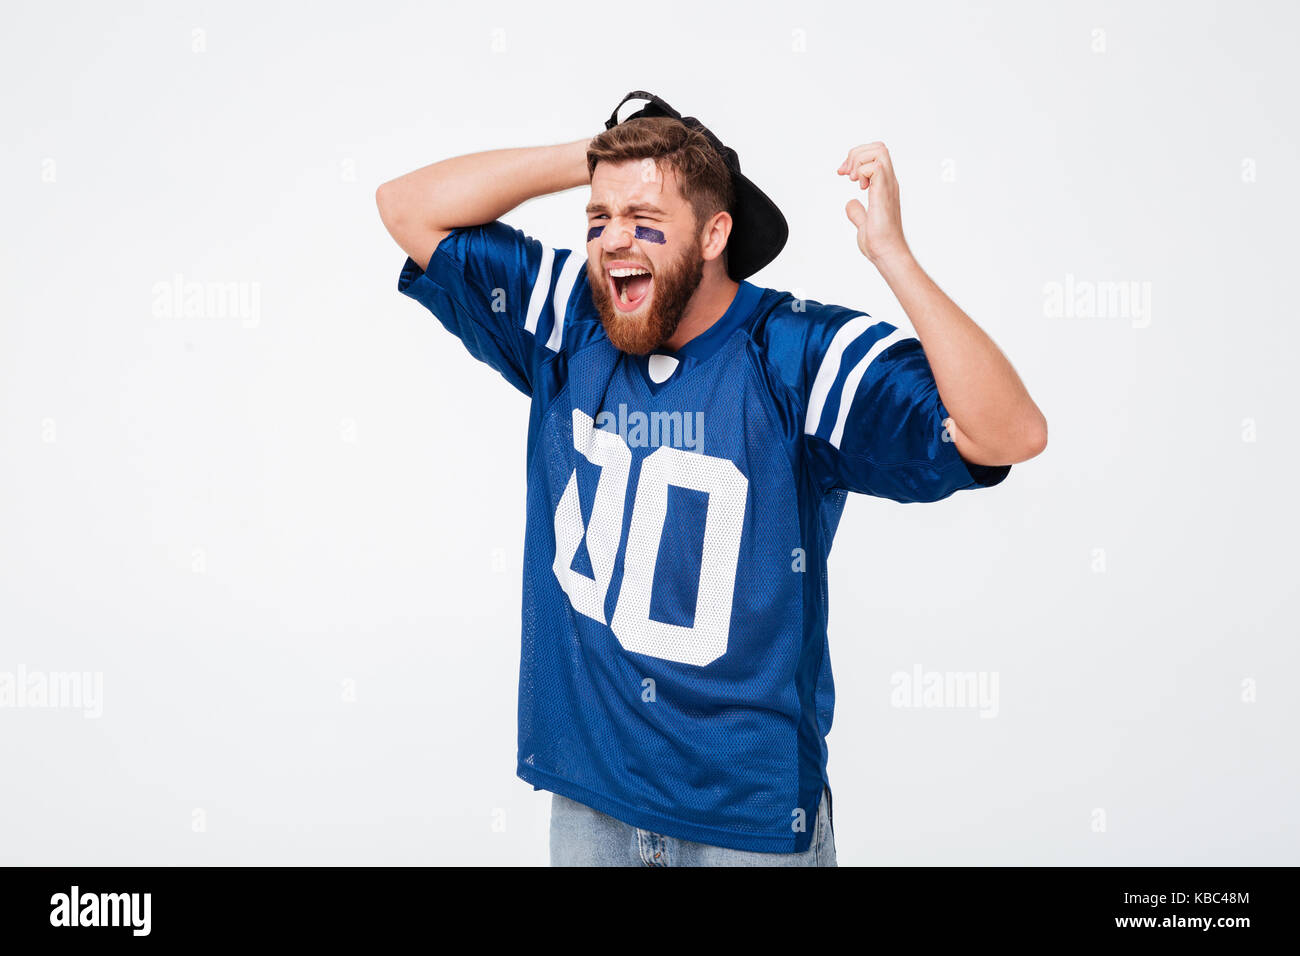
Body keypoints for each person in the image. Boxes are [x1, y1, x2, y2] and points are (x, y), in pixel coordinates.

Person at [376, 91, 1047, 866]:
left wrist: (893, 255)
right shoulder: (572, 319)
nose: (613, 238)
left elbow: (1010, 433)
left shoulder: (793, 354)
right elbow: (406, 208)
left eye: (642, 217)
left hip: (745, 821)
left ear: (714, 234)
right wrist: (602, 156)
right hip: (591, 799)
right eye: (598, 217)